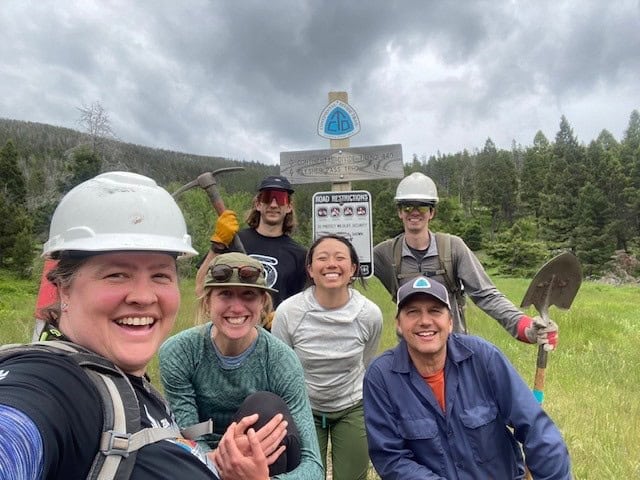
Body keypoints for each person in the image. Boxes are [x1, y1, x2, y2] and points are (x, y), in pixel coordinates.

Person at [0, 172, 289, 480]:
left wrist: (211, 465)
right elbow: (16, 432)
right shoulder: (53, 383)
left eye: (160, 275)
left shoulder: (128, 385)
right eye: (116, 274)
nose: (143, 296)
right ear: (64, 289)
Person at [362, 277, 572, 479]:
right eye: (412, 312)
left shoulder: (483, 358)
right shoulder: (381, 377)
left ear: (451, 322)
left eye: (435, 311)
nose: (425, 321)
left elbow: (537, 430)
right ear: (398, 324)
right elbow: (391, 459)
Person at [159, 252, 324, 479]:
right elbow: (189, 434)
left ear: (263, 302)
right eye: (225, 294)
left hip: (268, 465)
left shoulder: (281, 360)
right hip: (205, 459)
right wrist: (221, 464)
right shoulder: (180, 352)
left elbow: (313, 464)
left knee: (264, 406)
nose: (237, 308)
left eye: (248, 295)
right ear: (207, 302)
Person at [373, 172, 558, 349]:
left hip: (453, 351)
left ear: (431, 212)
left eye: (421, 206)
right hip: (409, 353)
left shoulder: (453, 248)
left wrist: (525, 328)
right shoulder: (385, 254)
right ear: (399, 212)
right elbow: (347, 271)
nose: (414, 212)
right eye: (407, 207)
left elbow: (486, 295)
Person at [272, 235, 383, 480]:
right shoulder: (289, 312)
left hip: (352, 406)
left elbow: (366, 361)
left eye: (340, 258)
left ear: (353, 268)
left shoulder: (369, 314)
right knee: (307, 475)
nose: (331, 264)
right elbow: (282, 367)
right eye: (322, 258)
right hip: (304, 407)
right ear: (310, 270)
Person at [196, 175, 307, 317]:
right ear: (258, 204)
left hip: (274, 334)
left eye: (280, 198)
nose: (273, 205)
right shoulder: (232, 240)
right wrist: (218, 244)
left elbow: (302, 303)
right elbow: (200, 288)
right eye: (267, 198)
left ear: (289, 207)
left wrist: (283, 316)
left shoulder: (299, 254)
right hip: (234, 325)